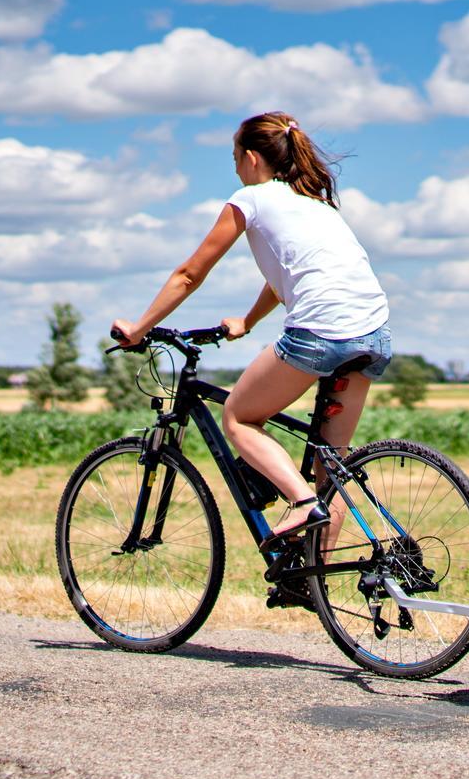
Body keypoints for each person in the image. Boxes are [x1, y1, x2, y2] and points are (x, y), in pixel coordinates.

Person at [111, 111, 392, 556]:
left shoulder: (252, 198)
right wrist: (247, 321)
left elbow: (189, 274)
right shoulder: (317, 204)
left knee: (239, 418)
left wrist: (138, 328)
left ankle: (301, 504)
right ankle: (312, 578)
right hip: (373, 334)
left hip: (320, 332)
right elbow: (286, 276)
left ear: (253, 159)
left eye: (235, 158)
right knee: (330, 468)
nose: (236, 167)